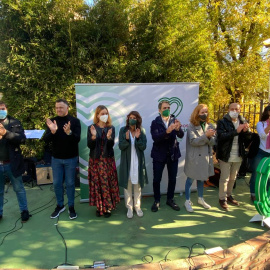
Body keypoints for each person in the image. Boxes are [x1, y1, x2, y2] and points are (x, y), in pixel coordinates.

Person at [43, 99, 81, 219]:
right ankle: (60, 205)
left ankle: (71, 207)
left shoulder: (75, 121)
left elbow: (77, 139)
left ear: (67, 108)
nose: (58, 109)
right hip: (56, 159)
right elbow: (45, 140)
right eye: (57, 107)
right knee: (57, 183)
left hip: (71, 159)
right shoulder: (52, 122)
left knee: (70, 184)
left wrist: (69, 132)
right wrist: (53, 131)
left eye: (61, 107)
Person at [150, 100, 184, 212]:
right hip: (159, 155)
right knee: (156, 179)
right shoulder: (155, 122)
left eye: (168, 108)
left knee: (173, 179)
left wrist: (178, 129)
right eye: (164, 108)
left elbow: (181, 135)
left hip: (173, 154)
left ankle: (170, 199)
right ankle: (157, 200)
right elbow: (156, 138)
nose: (167, 110)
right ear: (159, 110)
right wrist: (167, 132)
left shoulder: (175, 120)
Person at [216, 103, 251, 211]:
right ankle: (222, 199)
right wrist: (236, 131)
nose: (234, 111)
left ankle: (229, 195)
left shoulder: (242, 122)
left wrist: (246, 132)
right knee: (224, 178)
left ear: (240, 110)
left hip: (238, 155)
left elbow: (247, 140)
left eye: (237, 109)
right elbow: (221, 137)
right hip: (226, 155)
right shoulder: (222, 122)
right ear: (228, 110)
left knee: (233, 178)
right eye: (232, 109)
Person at [87, 105, 120, 218]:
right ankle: (99, 207)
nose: (105, 115)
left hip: (107, 160)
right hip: (95, 161)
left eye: (106, 113)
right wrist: (93, 137)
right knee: (97, 184)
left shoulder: (111, 128)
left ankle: (108, 207)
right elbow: (90, 145)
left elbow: (111, 145)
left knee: (106, 183)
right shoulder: (91, 128)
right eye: (102, 113)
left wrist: (109, 137)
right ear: (97, 115)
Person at [0, 101, 30, 222]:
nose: (0, 111)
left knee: (19, 188)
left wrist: (6, 133)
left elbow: (22, 139)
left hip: (12, 162)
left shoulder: (14, 123)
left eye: (2, 108)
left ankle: (24, 211)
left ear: (6, 109)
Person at [184, 104, 216, 212]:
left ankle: (200, 198)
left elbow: (213, 141)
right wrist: (206, 136)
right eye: (202, 112)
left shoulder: (210, 125)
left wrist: (208, 137)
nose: (204, 114)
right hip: (194, 158)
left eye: (206, 112)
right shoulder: (191, 126)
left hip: (205, 157)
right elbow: (193, 142)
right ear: (197, 113)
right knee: (190, 179)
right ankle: (187, 201)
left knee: (202, 179)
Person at [118, 111, 148, 218]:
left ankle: (137, 207)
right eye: (130, 117)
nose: (132, 119)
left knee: (138, 186)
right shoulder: (123, 130)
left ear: (137, 119)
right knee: (127, 186)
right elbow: (121, 146)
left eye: (134, 117)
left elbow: (143, 147)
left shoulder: (141, 130)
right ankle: (129, 208)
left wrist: (138, 138)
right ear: (128, 119)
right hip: (127, 162)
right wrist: (126, 139)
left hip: (138, 162)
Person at [249, 106, 270, 202]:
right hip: (261, 152)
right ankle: (253, 193)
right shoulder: (261, 124)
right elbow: (262, 136)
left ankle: (266, 194)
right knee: (256, 173)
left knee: (268, 176)